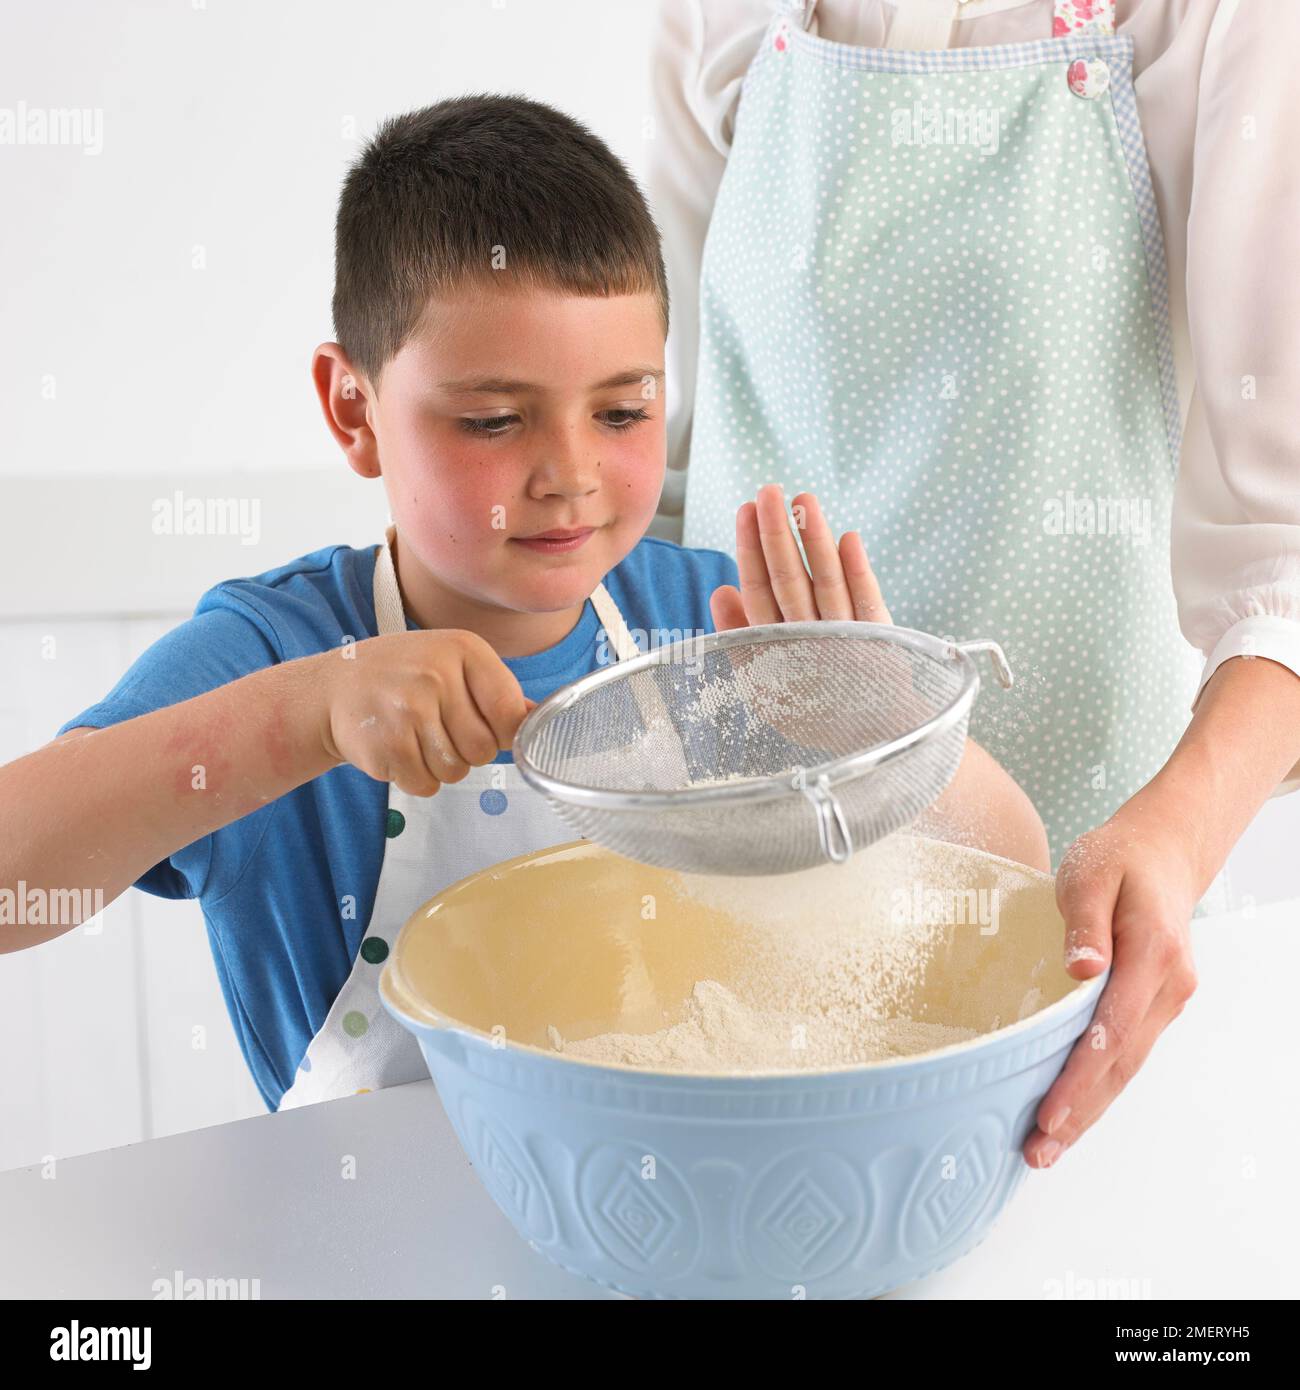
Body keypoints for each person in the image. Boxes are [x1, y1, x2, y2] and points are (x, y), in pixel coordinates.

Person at [0, 95, 1046, 1115]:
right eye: (495, 419)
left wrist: (876, 740)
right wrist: (308, 715)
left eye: (623, 409)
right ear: (351, 408)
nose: (571, 474)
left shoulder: (714, 629)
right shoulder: (280, 650)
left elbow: (1008, 877)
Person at [648, 0, 1300, 1167]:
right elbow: (654, 455)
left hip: (1072, 926)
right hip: (731, 911)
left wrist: (1175, 833)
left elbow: (1284, 559)